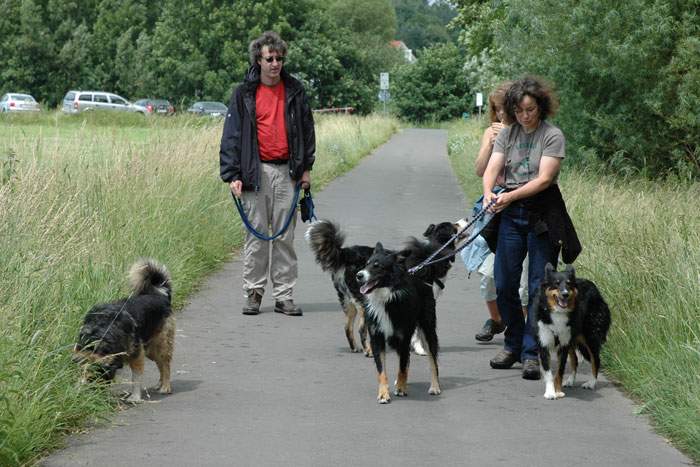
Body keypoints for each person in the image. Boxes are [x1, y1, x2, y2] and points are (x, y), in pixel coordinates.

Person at [482, 76, 580, 380]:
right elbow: (492, 168)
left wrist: (508, 195)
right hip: (511, 214)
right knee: (504, 282)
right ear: (512, 110)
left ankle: (530, 352)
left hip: (542, 214)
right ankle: (511, 343)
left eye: (531, 109)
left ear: (541, 107)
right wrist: (489, 194)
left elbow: (544, 179)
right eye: (520, 110)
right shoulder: (507, 134)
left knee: (539, 285)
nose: (526, 115)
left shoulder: (552, 136)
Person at [219, 31, 315, 316]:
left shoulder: (295, 91)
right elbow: (231, 137)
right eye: (269, 58)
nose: (275, 64)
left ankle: (284, 296)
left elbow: (307, 132)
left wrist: (306, 169)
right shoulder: (244, 94)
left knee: (285, 237)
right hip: (254, 171)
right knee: (257, 236)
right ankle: (254, 293)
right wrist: (232, 174)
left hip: (288, 171)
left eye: (279, 59)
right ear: (258, 60)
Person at [462, 82, 529, 342]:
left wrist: (509, 139)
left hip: (518, 205)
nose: (500, 115)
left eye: (504, 109)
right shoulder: (490, 133)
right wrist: (491, 144)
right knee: (488, 273)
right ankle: (498, 319)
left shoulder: (527, 135)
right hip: (492, 208)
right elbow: (480, 170)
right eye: (496, 109)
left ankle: (522, 331)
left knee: (522, 280)